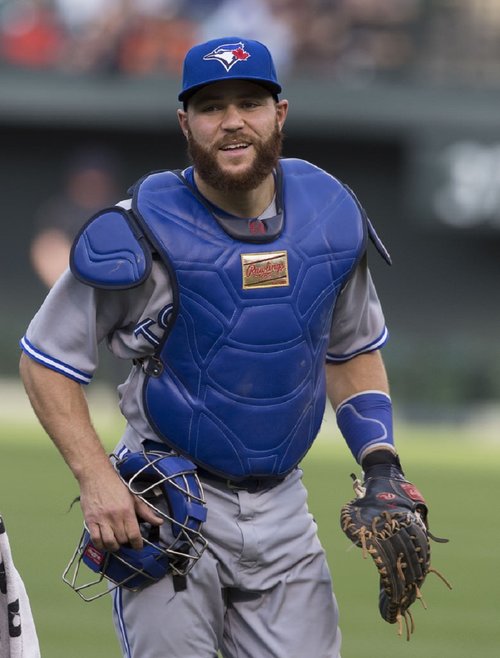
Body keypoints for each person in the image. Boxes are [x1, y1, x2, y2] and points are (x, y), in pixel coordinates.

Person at [19, 36, 406, 658]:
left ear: (280, 113)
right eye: (211, 106)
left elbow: (353, 351)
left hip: (283, 507)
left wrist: (382, 461)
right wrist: (95, 477)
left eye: (249, 102)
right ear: (185, 122)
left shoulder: (330, 217)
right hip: (168, 504)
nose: (232, 121)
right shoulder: (139, 229)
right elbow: (45, 362)